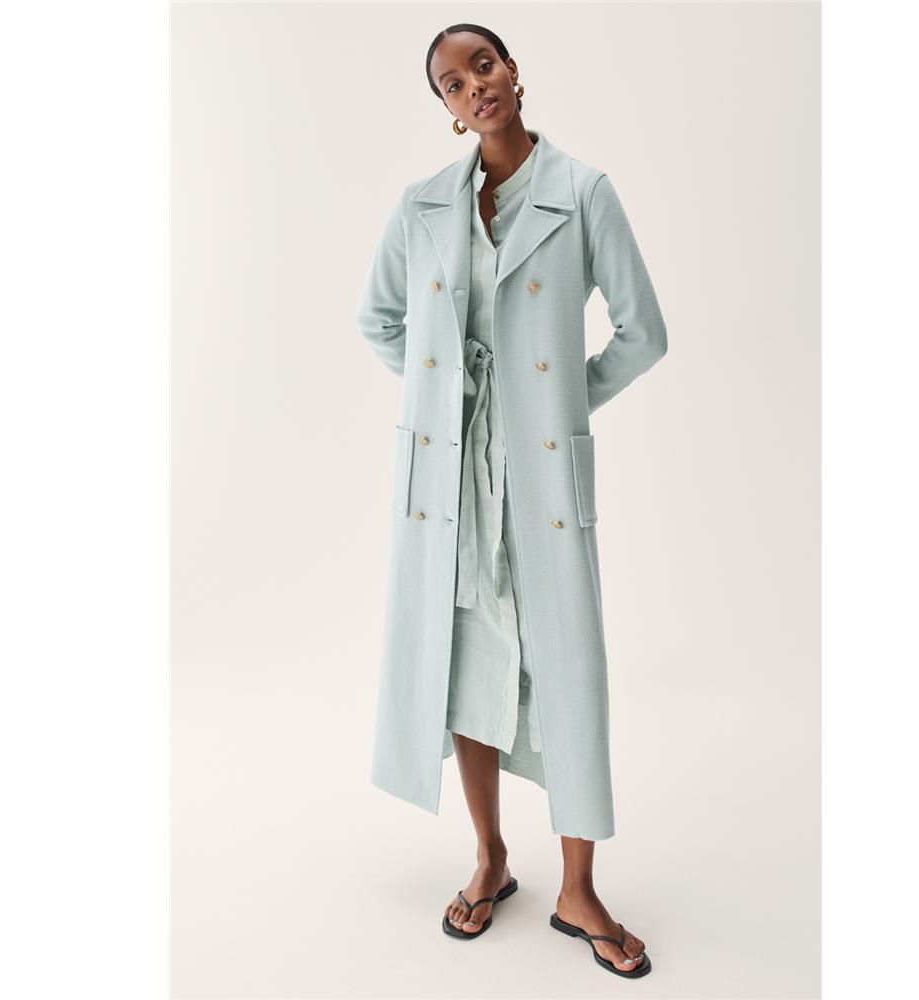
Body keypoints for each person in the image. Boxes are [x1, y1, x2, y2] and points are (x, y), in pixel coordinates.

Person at [357, 22, 668, 979]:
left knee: (567, 662)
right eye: (452, 84)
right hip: (450, 474)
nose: (473, 87)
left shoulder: (583, 192)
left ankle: (577, 889)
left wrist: (561, 403)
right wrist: (443, 397)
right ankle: (490, 858)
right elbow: (379, 320)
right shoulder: (422, 205)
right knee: (465, 654)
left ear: (514, 70)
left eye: (482, 65)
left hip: (540, 469)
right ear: (448, 111)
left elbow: (643, 332)